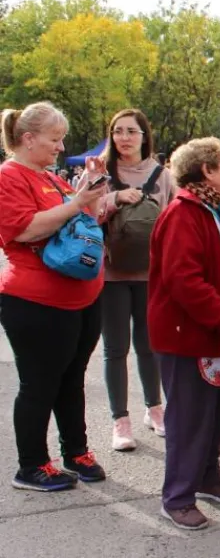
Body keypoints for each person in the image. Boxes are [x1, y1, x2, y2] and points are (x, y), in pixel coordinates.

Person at [147, 137, 220, 531]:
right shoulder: (184, 213)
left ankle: (207, 476)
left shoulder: (217, 209)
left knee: (216, 411)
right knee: (189, 417)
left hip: (218, 333)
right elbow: (184, 279)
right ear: (207, 171)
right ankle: (177, 496)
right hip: (191, 335)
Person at [0, 102, 110, 492]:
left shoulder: (52, 178)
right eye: (55, 139)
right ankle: (31, 465)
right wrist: (77, 203)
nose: (61, 147)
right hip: (36, 302)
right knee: (40, 384)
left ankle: (74, 451)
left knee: (71, 378)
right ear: (28, 139)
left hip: (79, 298)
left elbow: (86, 220)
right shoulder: (10, 176)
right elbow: (24, 230)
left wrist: (91, 191)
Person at [98, 109, 178, 451]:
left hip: (151, 275)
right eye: (118, 131)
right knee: (115, 349)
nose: (124, 137)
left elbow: (177, 219)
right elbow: (81, 211)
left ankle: (155, 409)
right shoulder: (100, 172)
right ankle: (121, 421)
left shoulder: (163, 176)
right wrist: (114, 198)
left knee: (150, 346)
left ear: (145, 136)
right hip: (111, 274)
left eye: (131, 131)